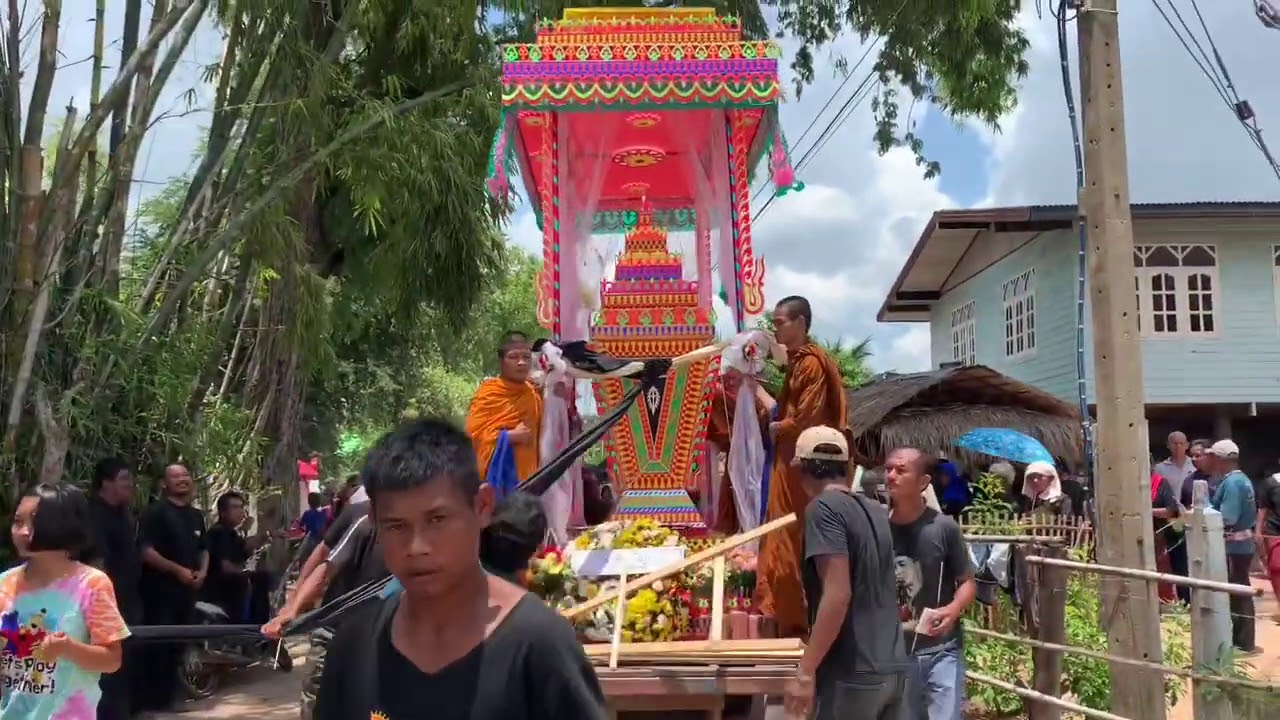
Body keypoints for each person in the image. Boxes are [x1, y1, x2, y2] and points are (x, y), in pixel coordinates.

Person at [313, 418, 606, 720]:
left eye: (437, 520)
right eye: (397, 525)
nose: (417, 547)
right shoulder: (355, 647)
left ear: (482, 507)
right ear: (375, 522)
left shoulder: (539, 644)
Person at [783, 426, 907, 720]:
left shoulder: (823, 510)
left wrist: (805, 671)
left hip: (853, 671)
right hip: (892, 665)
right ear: (846, 468)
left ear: (802, 469)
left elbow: (837, 595)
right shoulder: (876, 511)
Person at [757, 296, 848, 638]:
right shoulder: (796, 363)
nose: (775, 328)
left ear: (800, 322)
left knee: (791, 535)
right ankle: (790, 616)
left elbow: (807, 420)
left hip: (802, 464)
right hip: (791, 461)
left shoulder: (811, 364)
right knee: (783, 535)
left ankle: (799, 621)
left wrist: (778, 426)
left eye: (780, 322)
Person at [0, 484, 130, 718]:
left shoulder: (91, 583)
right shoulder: (4, 583)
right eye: (17, 522)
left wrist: (67, 648)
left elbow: (112, 659)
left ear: (61, 525)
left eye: (33, 523)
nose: (21, 531)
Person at [264, 482, 387, 720]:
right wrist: (292, 608)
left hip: (383, 633)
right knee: (317, 696)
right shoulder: (362, 519)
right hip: (335, 625)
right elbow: (324, 564)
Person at [885, 448, 977, 720]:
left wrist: (953, 609)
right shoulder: (876, 529)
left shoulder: (944, 528)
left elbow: (968, 582)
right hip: (894, 653)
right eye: (888, 469)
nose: (891, 476)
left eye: (901, 470)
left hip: (942, 650)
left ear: (923, 482)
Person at [135, 463, 207, 711]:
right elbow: (146, 551)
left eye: (186, 475)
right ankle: (154, 701)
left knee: (180, 645)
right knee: (159, 646)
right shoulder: (154, 513)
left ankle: (175, 696)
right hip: (160, 593)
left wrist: (202, 573)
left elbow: (204, 549)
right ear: (165, 484)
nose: (182, 480)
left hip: (188, 593)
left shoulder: (196, 515)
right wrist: (178, 571)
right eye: (176, 477)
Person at [83, 458, 141, 720]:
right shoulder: (95, 514)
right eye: (124, 479)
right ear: (106, 482)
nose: (130, 485)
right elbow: (97, 563)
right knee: (108, 672)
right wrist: (104, 607)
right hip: (107, 606)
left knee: (124, 668)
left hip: (127, 600)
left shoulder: (123, 514)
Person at [466, 331, 543, 495]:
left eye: (526, 357)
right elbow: (474, 436)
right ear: (501, 361)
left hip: (530, 483)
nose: (521, 362)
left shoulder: (532, 393)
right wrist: (509, 436)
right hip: (496, 488)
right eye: (514, 357)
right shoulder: (489, 394)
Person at [1206, 440, 1260, 654]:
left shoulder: (1231, 483)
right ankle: (1243, 641)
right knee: (1240, 592)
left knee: (1237, 594)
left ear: (1220, 459)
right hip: (1242, 545)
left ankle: (1243, 643)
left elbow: (1227, 517)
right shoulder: (1242, 479)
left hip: (1233, 546)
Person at [705, 367, 770, 535]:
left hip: (755, 455)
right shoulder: (719, 393)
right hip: (745, 456)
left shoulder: (722, 393)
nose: (730, 381)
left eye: (732, 379)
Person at [204, 491, 274, 625]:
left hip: (232, 588)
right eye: (235, 507)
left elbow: (245, 547)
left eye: (242, 507)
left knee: (265, 577)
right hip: (219, 590)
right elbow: (225, 567)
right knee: (259, 579)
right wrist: (246, 572)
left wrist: (268, 535)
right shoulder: (218, 533)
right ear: (223, 512)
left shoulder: (231, 534)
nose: (240, 511)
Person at [1148, 471, 1183, 604]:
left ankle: (1162, 605)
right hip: (1130, 535)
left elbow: (1171, 510)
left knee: (1158, 571)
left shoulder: (1160, 483)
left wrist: (1146, 511)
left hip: (1157, 535)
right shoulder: (1127, 482)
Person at [1255, 465, 1280, 613]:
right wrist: (1258, 531)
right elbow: (1263, 509)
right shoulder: (1271, 483)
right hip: (1275, 532)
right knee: (1277, 568)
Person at [297, 492, 329, 563]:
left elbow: (301, 525)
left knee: (305, 559)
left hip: (309, 539)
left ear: (309, 502)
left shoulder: (307, 513)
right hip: (320, 539)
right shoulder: (323, 513)